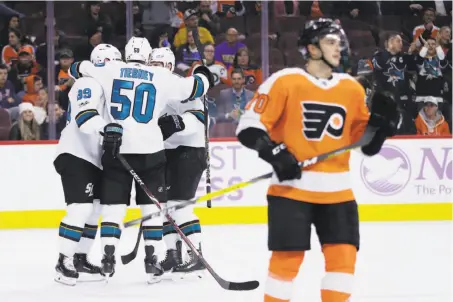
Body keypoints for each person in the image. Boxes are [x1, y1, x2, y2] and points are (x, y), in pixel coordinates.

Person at [235, 18, 400, 302]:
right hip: (291, 191)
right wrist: (274, 153)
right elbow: (249, 127)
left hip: (338, 194)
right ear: (312, 48)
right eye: (330, 42)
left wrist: (382, 128)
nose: (339, 48)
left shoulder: (351, 88)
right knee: (286, 264)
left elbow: (366, 146)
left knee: (343, 265)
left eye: (340, 42)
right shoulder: (285, 81)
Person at [69, 37, 214, 284]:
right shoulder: (165, 78)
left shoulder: (109, 69)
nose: (157, 65)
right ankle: (154, 259)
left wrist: (82, 67)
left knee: (117, 206)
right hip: (152, 149)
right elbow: (198, 87)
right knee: (154, 208)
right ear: (148, 59)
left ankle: (109, 257)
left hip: (121, 147)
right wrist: (204, 75)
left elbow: (76, 68)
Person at [54, 43, 122, 286]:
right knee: (80, 208)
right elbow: (85, 118)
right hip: (75, 153)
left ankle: (81, 258)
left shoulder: (107, 86)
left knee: (93, 209)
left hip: (93, 157)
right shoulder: (88, 83)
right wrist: (107, 130)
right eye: (112, 62)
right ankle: (64, 261)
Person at [149, 47, 207, 279]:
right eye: (153, 65)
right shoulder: (149, 88)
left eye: (160, 65)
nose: (156, 70)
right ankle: (173, 254)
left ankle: (197, 255)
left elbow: (198, 120)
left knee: (179, 205)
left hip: (189, 151)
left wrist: (178, 123)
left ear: (170, 67)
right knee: (165, 207)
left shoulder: (182, 87)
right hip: (166, 154)